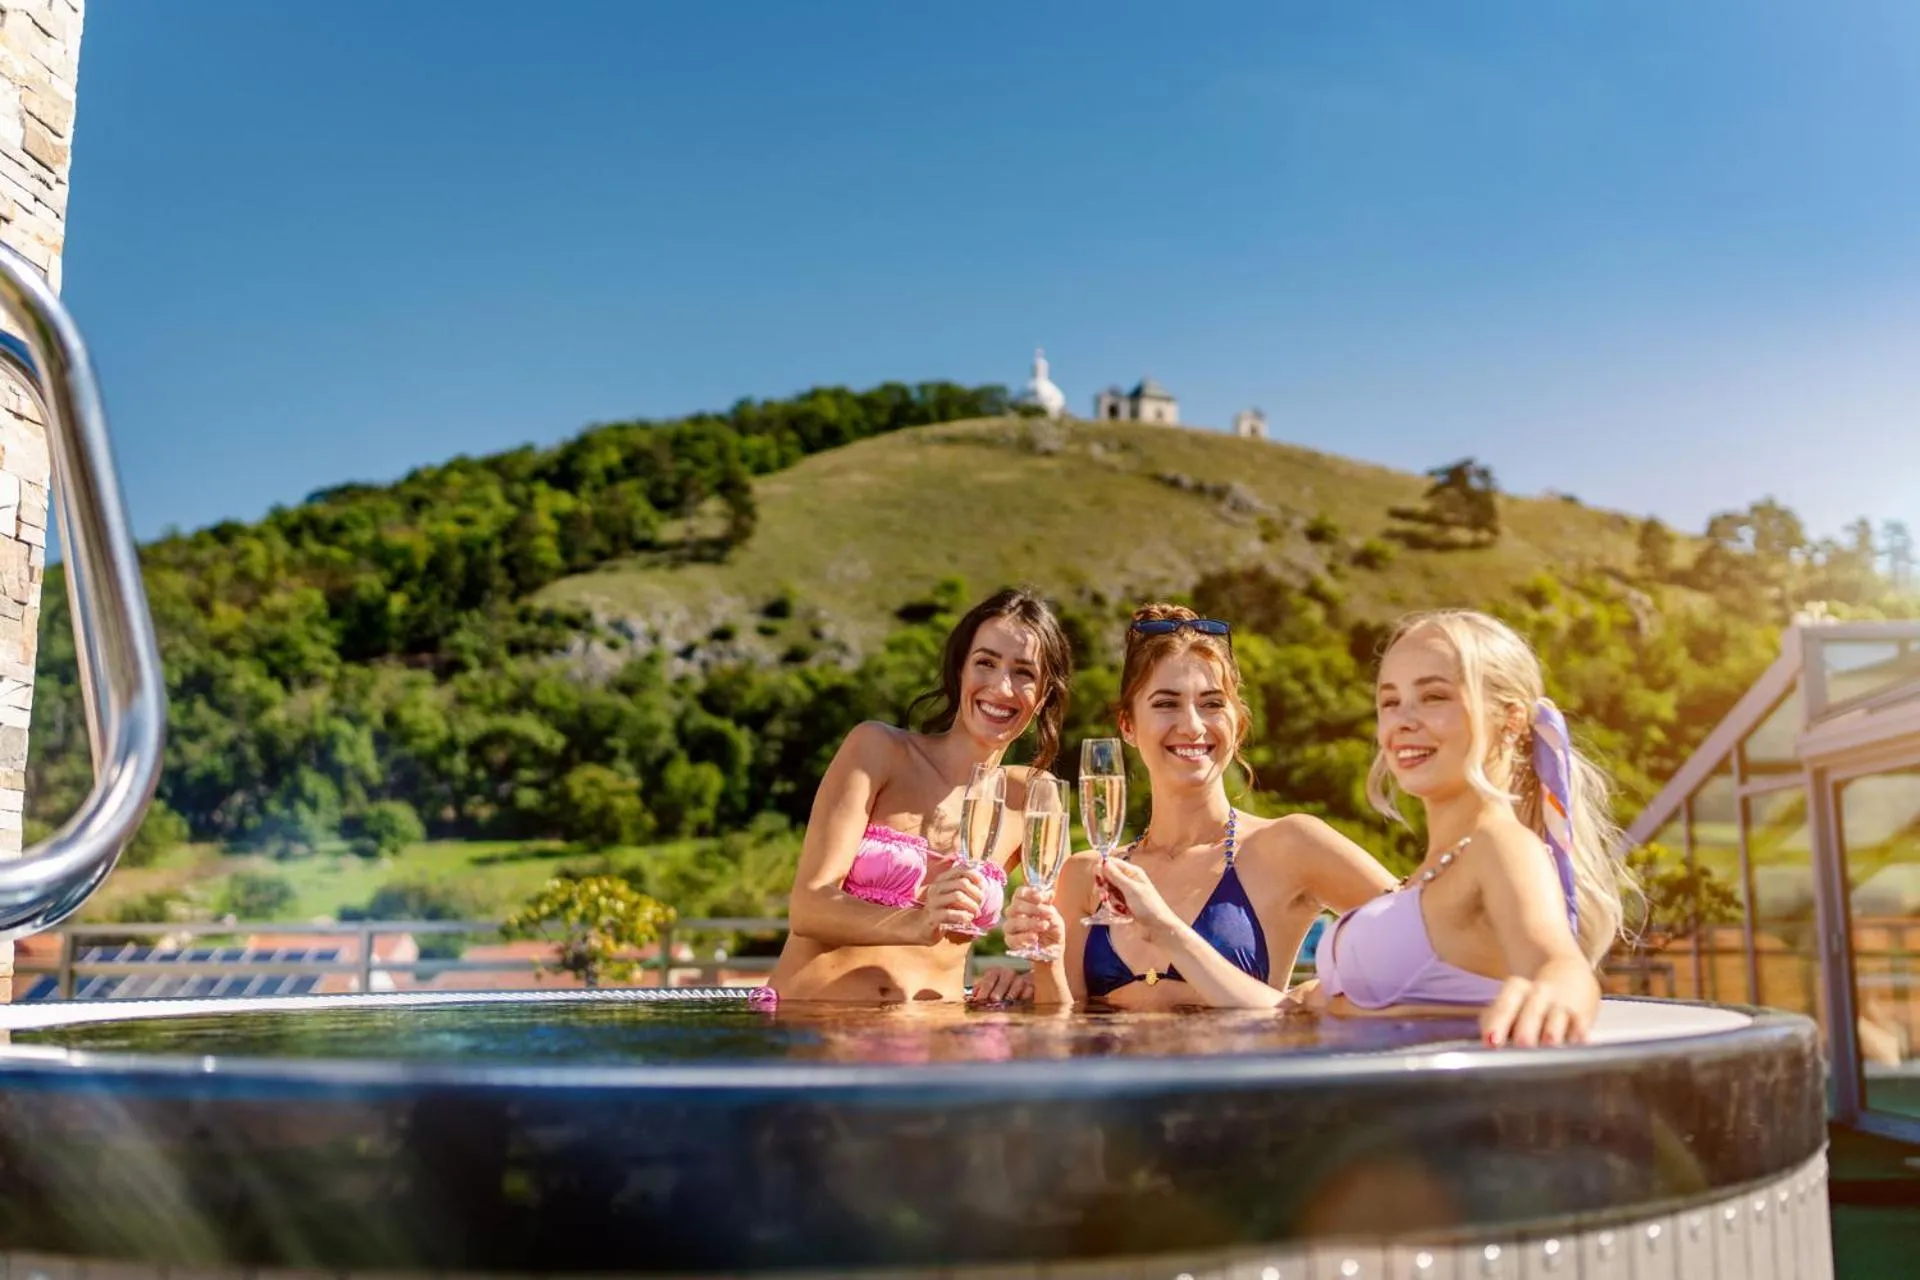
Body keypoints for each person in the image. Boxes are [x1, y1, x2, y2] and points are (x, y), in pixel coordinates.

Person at [1004, 604, 1396, 1009]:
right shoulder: (1085, 876)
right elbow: (1060, 1024)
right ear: (1128, 726)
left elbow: (1422, 936)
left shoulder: (1290, 845)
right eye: (1166, 704)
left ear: (1237, 723)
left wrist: (1317, 995)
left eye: (1212, 704)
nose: (1192, 725)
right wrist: (1042, 964)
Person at [1292, 608, 1629, 1047]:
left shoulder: (1500, 845)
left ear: (1510, 720)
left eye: (1433, 697)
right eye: (1390, 702)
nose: (1403, 720)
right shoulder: (1439, 867)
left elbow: (1557, 964)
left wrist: (1555, 995)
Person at [766, 587, 1073, 1003]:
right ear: (959, 671)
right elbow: (808, 906)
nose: (1002, 687)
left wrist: (1023, 977)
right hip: (817, 1024)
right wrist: (917, 922)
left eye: (1024, 673)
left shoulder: (1035, 796)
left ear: (1044, 696)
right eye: (985, 663)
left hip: (939, 1032)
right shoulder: (878, 749)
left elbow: (1059, 939)